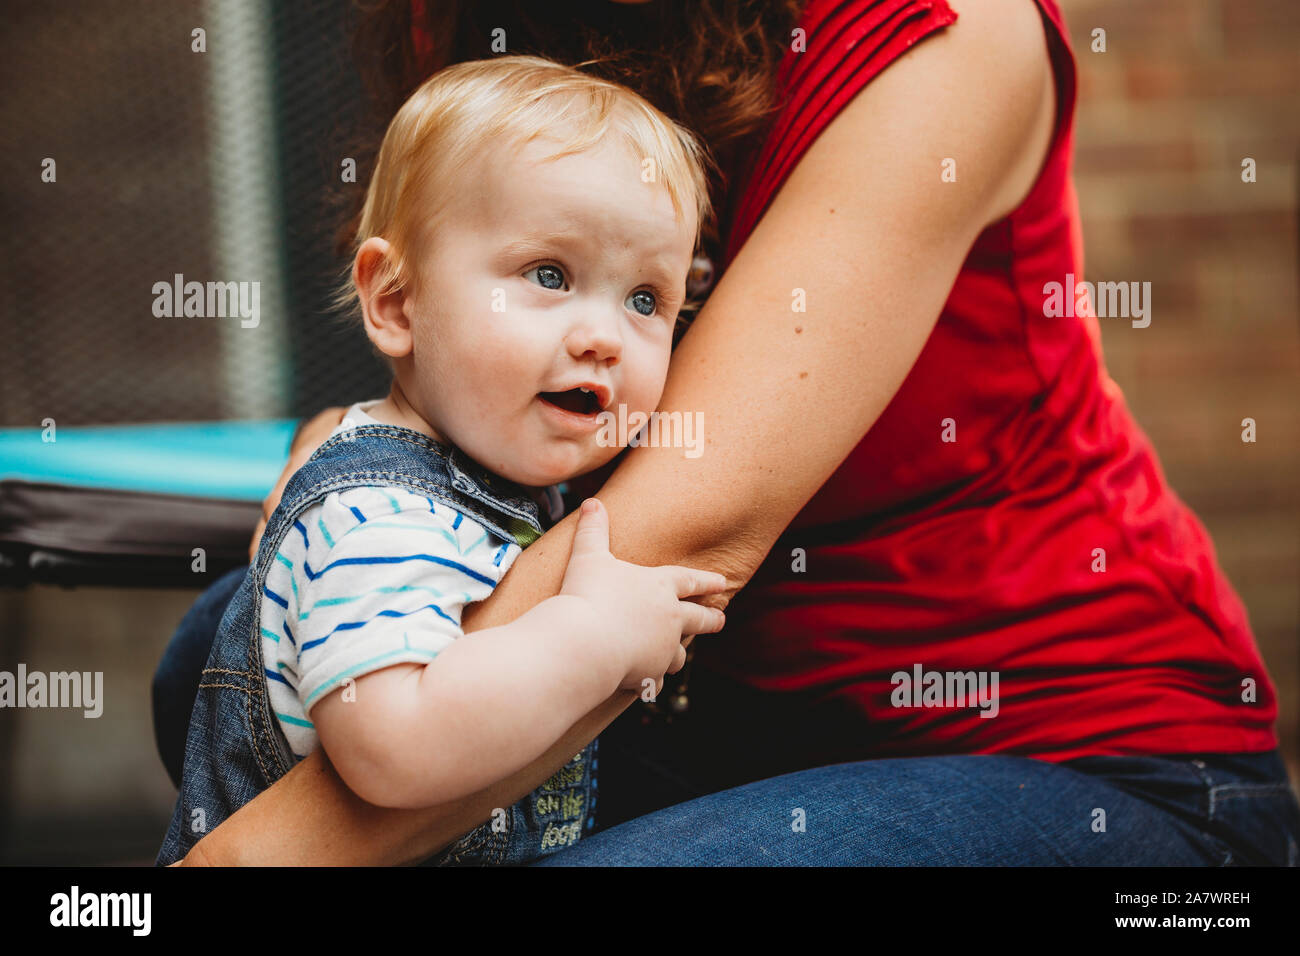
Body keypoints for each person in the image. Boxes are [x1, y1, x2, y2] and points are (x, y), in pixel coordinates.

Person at [157, 0, 1300, 865]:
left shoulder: (951, 36)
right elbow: (490, 325)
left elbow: (683, 530)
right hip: (714, 717)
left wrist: (243, 859)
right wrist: (365, 441)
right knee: (226, 647)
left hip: (1056, 743)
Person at [155, 55, 730, 866]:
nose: (604, 336)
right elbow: (393, 749)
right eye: (549, 274)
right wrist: (592, 639)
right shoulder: (377, 515)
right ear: (395, 302)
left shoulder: (502, 489)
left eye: (645, 299)